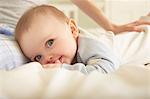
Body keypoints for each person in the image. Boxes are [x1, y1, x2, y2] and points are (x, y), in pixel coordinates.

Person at [15, 5, 120, 74]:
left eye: (50, 43)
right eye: (38, 57)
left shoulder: (89, 45)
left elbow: (107, 69)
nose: (47, 58)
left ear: (72, 29)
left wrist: (64, 69)